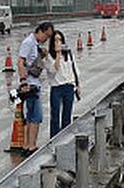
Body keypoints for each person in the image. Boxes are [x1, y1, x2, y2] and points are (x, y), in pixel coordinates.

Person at [15, 20, 53, 150]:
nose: (46, 39)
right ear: (40, 31)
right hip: (30, 85)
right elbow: (20, 62)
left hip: (34, 83)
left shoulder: (35, 44)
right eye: (46, 36)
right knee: (36, 117)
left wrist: (41, 55)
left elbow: (32, 62)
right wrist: (23, 81)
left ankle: (28, 145)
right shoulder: (28, 43)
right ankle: (31, 146)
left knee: (31, 116)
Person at [47, 29, 80, 135]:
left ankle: (65, 139)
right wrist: (57, 54)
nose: (58, 43)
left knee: (67, 115)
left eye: (60, 40)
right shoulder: (49, 56)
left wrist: (77, 85)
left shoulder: (69, 54)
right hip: (57, 87)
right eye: (56, 40)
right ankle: (54, 140)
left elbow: (74, 69)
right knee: (55, 115)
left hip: (69, 87)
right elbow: (53, 70)